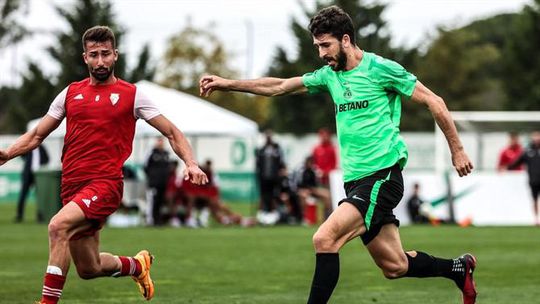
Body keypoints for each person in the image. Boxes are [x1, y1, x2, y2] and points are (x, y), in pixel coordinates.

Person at [199, 6, 476, 304]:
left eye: (325, 45)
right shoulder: (329, 77)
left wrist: (457, 150)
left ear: (345, 40)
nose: (321, 53)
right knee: (395, 266)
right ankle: (458, 268)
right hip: (355, 182)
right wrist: (228, 84)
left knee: (324, 238)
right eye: (317, 46)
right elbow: (279, 86)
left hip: (381, 177)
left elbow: (435, 101)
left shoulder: (381, 69)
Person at [0, 26, 207, 304]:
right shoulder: (70, 93)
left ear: (115, 56)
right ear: (85, 57)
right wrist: (9, 154)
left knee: (57, 226)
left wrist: (190, 163)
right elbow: (37, 134)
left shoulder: (132, 95)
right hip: (72, 187)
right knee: (89, 268)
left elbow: (172, 132)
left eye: (105, 54)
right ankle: (137, 266)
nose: (100, 61)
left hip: (105, 184)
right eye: (94, 55)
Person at [508, 131, 540, 225]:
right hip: (533, 180)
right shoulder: (528, 152)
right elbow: (516, 163)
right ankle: (536, 219)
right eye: (536, 138)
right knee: (534, 199)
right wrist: (507, 168)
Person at [255, 129, 284, 224]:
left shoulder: (277, 148)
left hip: (274, 177)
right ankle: (261, 214)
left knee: (273, 196)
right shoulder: (261, 149)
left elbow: (281, 162)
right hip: (263, 177)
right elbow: (258, 163)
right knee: (263, 195)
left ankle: (273, 214)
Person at [15, 144, 49, 222]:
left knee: (40, 196)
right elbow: (21, 154)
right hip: (27, 174)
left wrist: (41, 165)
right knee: (23, 195)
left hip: (38, 175)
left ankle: (40, 216)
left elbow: (47, 158)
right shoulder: (28, 147)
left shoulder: (42, 148)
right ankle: (19, 215)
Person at [296, 156, 333, 222]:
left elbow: (315, 184)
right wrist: (306, 189)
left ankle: (327, 216)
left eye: (312, 162)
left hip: (312, 189)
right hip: (303, 189)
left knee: (327, 195)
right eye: (310, 162)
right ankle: (304, 217)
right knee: (303, 196)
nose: (311, 164)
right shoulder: (301, 171)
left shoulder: (313, 171)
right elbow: (299, 184)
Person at [144, 137, 170, 226]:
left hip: (163, 182)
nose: (161, 143)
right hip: (153, 182)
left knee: (160, 201)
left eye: (162, 142)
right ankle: (150, 220)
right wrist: (152, 176)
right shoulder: (151, 153)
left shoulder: (166, 154)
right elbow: (145, 166)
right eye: (159, 141)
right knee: (151, 201)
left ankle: (158, 219)